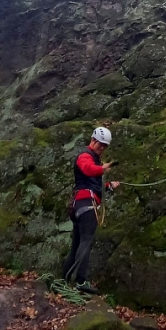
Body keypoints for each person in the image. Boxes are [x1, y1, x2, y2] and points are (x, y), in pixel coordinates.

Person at [62, 126, 120, 294]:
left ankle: (64, 280)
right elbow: (87, 169)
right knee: (86, 241)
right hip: (86, 204)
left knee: (77, 246)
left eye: (104, 146)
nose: (102, 148)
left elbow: (95, 184)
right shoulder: (85, 156)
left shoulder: (95, 160)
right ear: (93, 140)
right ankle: (81, 281)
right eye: (100, 144)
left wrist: (109, 186)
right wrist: (102, 169)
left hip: (82, 204)